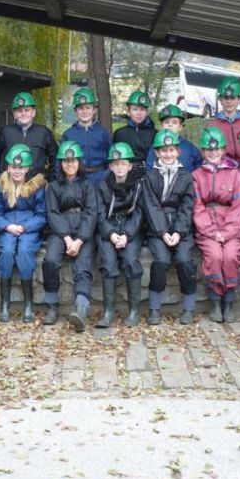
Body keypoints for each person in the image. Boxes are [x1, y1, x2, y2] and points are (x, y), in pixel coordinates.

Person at [142, 129, 198, 325]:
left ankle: (189, 307)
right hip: (158, 229)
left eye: (171, 150)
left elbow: (187, 206)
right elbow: (151, 206)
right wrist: (164, 232)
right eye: (163, 151)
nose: (167, 154)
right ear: (157, 153)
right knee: (162, 260)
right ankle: (154, 307)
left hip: (181, 228)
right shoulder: (149, 176)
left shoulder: (186, 176)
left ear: (177, 152)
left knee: (184, 259)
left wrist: (178, 232)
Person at [192, 126, 240, 323]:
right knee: (214, 255)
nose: (213, 152)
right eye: (208, 150)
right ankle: (215, 300)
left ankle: (229, 300)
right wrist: (212, 232)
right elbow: (197, 206)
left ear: (223, 150)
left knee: (231, 256)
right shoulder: (196, 175)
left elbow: (239, 205)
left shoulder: (235, 173)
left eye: (217, 149)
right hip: (207, 227)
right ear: (203, 152)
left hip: (231, 226)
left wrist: (228, 231)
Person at [42, 140, 98, 331]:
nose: (70, 164)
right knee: (50, 260)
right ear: (60, 163)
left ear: (79, 162)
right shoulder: (54, 187)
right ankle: (51, 305)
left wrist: (80, 240)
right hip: (61, 229)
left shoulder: (88, 186)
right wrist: (66, 238)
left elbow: (91, 213)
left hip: (83, 229)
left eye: (73, 160)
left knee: (83, 266)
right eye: (66, 161)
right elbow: (53, 213)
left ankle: (81, 309)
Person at [0, 144, 47, 323]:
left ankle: (29, 304)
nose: (17, 171)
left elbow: (42, 215)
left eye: (21, 167)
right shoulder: (1, 185)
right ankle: (4, 304)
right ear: (8, 167)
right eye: (13, 167)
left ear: (28, 168)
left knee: (24, 252)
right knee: (6, 251)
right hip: (8, 227)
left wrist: (25, 227)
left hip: (28, 229)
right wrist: (6, 227)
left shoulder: (36, 186)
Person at [95, 142, 145, 327]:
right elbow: (99, 214)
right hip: (108, 229)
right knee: (108, 262)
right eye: (115, 164)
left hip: (130, 230)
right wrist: (111, 235)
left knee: (131, 261)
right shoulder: (102, 185)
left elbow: (139, 213)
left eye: (123, 163)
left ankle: (134, 311)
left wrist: (127, 235)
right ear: (110, 166)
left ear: (130, 165)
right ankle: (108, 312)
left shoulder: (139, 185)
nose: (119, 167)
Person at [0, 91, 58, 179]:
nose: (23, 113)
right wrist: (0, 179)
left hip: (36, 186)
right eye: (19, 110)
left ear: (33, 112)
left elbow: (55, 158)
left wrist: (51, 181)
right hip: (10, 185)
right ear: (14, 114)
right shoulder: (5, 132)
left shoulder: (44, 132)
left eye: (27, 110)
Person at [60, 88, 112, 184]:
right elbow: (60, 161)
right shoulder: (68, 134)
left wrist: (107, 176)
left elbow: (110, 158)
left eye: (88, 108)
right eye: (81, 108)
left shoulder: (103, 133)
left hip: (100, 178)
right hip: (77, 179)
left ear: (94, 110)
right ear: (75, 110)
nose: (84, 111)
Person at [205, 77, 240, 162]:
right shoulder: (212, 126)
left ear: (239, 99)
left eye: (232, 98)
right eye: (226, 98)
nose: (229, 101)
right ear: (220, 100)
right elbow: (207, 153)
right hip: (223, 170)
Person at [146, 104, 203, 173]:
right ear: (161, 126)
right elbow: (150, 170)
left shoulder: (190, 148)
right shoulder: (155, 148)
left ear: (180, 127)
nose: (170, 125)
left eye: (174, 122)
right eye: (166, 122)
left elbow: (199, 169)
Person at [112, 90, 155, 179]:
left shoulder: (154, 133)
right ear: (129, 111)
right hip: (125, 174)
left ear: (147, 112)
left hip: (149, 174)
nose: (139, 113)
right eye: (135, 109)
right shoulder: (120, 134)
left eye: (142, 109)